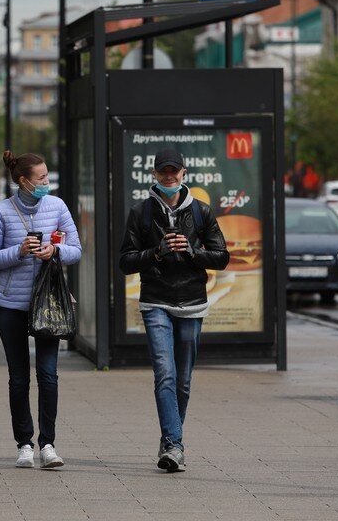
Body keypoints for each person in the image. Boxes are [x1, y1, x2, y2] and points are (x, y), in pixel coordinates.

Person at [119, 148, 229, 473]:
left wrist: (193, 252)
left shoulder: (201, 212)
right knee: (165, 374)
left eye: (174, 171)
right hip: (155, 301)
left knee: (183, 380)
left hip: (193, 303)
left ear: (184, 173)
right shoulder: (141, 213)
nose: (169, 177)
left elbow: (221, 257)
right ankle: (174, 444)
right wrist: (156, 252)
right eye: (163, 172)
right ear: (154, 175)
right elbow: (125, 261)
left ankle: (171, 439)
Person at [0, 151, 81, 469]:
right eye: (41, 179)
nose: (46, 183)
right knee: (18, 378)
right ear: (24, 181)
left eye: (47, 177)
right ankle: (24, 444)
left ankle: (48, 444)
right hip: (11, 305)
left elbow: (76, 249)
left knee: (48, 375)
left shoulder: (57, 206)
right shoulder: (1, 211)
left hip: (49, 303)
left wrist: (55, 250)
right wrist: (20, 250)